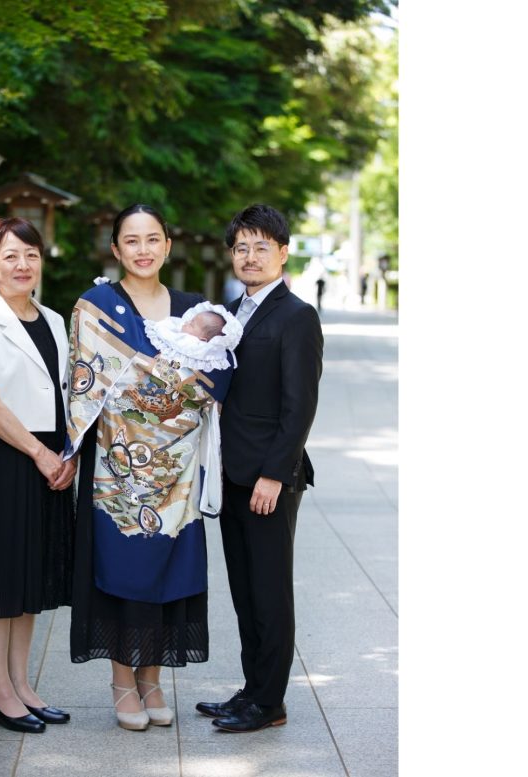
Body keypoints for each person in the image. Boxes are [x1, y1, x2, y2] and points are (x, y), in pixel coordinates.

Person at [64, 204, 233, 731]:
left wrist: (175, 396)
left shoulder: (191, 311)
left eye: (152, 238)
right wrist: (160, 388)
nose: (143, 249)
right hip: (118, 471)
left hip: (176, 475)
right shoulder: (97, 308)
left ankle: (153, 680)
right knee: (123, 573)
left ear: (167, 245)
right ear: (115, 250)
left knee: (167, 574)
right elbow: (87, 378)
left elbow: (220, 372)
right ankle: (122, 684)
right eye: (131, 240)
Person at [195, 203, 323, 733]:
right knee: (245, 590)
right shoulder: (231, 312)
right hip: (231, 469)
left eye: (261, 247)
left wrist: (275, 473)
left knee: (270, 590)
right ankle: (251, 690)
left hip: (269, 476)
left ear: (283, 252)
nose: (250, 257)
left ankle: (269, 702)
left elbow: (301, 405)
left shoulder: (297, 316)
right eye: (242, 248)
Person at [0, 217, 76, 734]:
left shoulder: (52, 319)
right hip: (7, 457)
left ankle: (23, 685)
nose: (22, 264)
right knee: (3, 576)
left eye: (30, 254)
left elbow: (69, 393)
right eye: (10, 256)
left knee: (32, 577)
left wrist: (66, 453)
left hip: (51, 457)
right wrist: (41, 455)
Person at [144, 301, 243, 372]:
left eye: (191, 324)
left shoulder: (192, 344)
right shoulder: (184, 330)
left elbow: (172, 340)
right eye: (190, 320)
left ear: (202, 340)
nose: (186, 322)